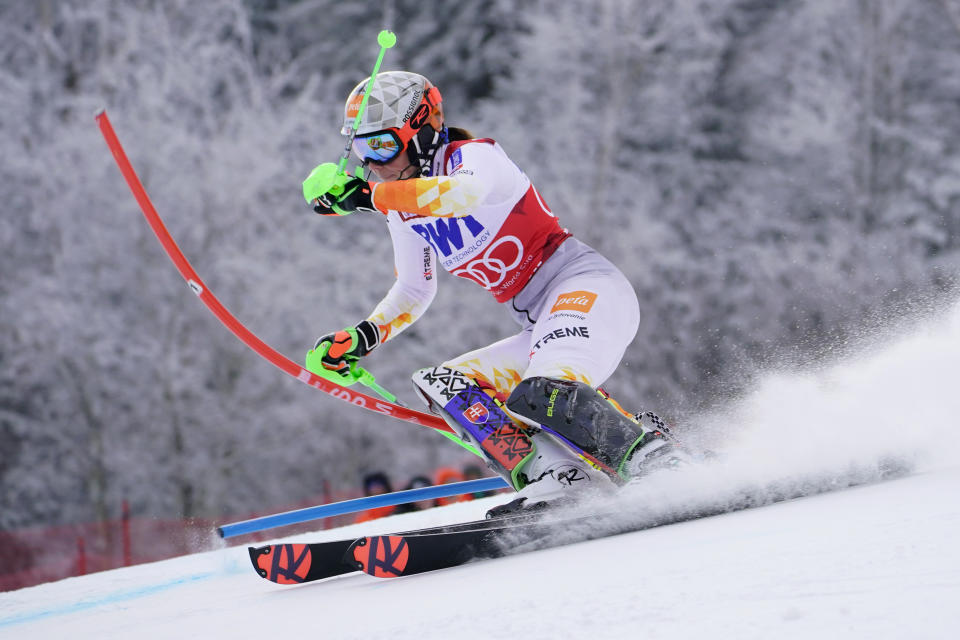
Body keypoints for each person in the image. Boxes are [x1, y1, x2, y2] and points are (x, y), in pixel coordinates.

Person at [310, 70, 688, 517]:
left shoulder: (476, 158)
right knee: (443, 384)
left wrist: (372, 196)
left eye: (382, 145)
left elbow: (461, 195)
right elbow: (414, 287)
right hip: (541, 321)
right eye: (360, 149)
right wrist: (364, 335)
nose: (372, 162)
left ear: (422, 130)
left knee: (541, 390)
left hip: (587, 289)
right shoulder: (403, 208)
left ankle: (658, 461)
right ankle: (558, 479)